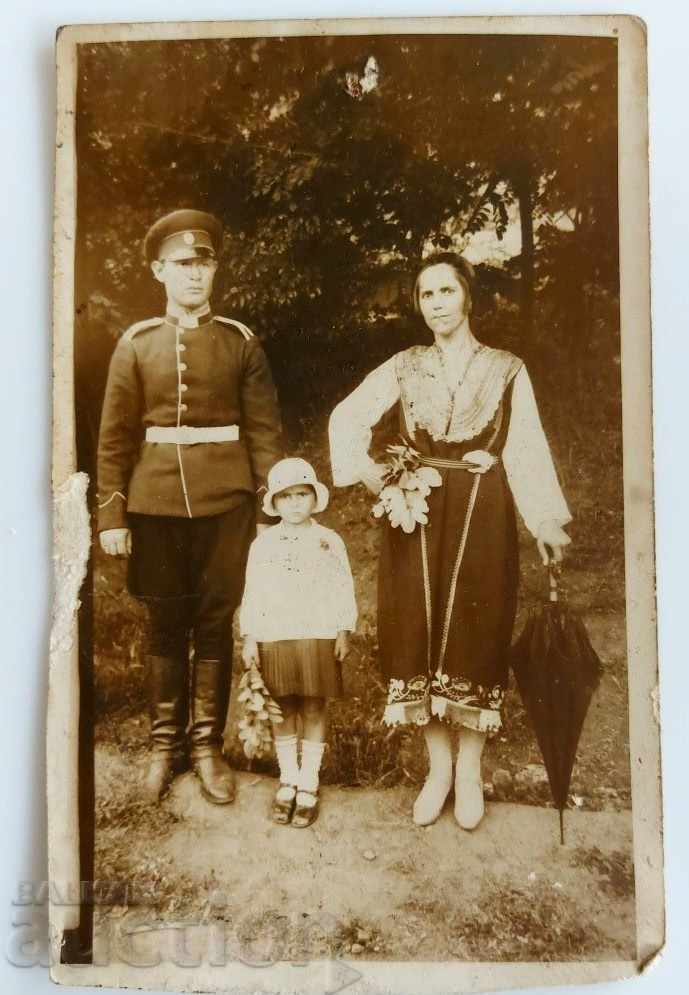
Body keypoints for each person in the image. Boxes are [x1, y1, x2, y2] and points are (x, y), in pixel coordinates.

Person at [328, 252, 571, 831]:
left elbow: (526, 447)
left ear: (468, 297)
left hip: (481, 511)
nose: (436, 304)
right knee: (419, 630)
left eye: (446, 292)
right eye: (426, 295)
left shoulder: (508, 369)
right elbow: (346, 418)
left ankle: (469, 771)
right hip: (416, 510)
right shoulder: (404, 365)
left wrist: (545, 521)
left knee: (475, 630)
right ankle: (437, 769)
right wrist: (373, 474)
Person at [97, 209, 283, 805]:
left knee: (213, 623)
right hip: (153, 507)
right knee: (164, 624)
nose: (195, 275)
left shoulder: (240, 342)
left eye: (204, 263)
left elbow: (264, 434)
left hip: (227, 505)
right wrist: (111, 515)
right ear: (159, 271)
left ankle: (206, 749)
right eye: (183, 264)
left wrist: (269, 510)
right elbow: (115, 439)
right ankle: (163, 748)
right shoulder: (136, 345)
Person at [240, 458, 357, 828]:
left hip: (318, 632)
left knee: (313, 706)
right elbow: (253, 592)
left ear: (314, 498)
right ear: (274, 503)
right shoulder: (263, 545)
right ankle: (288, 778)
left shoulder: (328, 540)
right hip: (276, 632)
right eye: (285, 496)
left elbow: (343, 587)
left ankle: (310, 780)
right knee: (282, 707)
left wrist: (343, 628)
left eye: (301, 494)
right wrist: (250, 637)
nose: (294, 503)